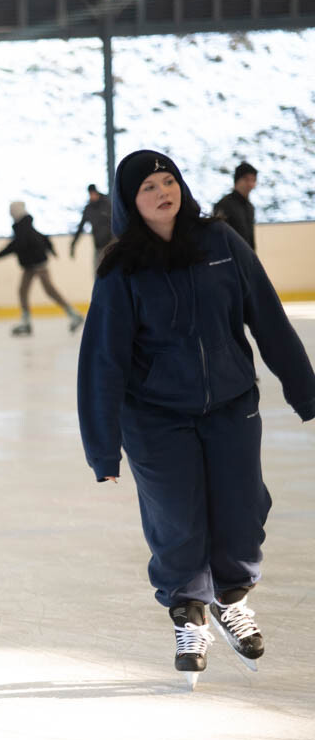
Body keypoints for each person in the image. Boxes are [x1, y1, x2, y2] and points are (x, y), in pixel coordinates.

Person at [77, 150, 315, 687]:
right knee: (178, 522)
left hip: (231, 405)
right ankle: (189, 614)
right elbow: (102, 361)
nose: (164, 192)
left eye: (170, 181)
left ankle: (231, 600)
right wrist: (102, 447)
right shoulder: (122, 269)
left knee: (241, 511)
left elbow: (268, 316)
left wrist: (306, 392)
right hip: (156, 418)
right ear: (129, 203)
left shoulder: (220, 243)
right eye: (148, 188)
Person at [0, 201, 84, 337]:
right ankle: (27, 321)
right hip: (32, 265)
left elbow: (18, 244)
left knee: (48, 290)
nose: (10, 213)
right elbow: (40, 237)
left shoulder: (22, 226)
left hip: (37, 264)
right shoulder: (24, 224)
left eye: (11, 210)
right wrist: (51, 249)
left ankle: (73, 314)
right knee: (25, 291)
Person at [213, 162, 258, 251]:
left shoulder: (250, 207)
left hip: (247, 257)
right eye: (246, 179)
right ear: (237, 180)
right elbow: (218, 236)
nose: (250, 184)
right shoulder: (224, 204)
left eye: (253, 180)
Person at [70, 184, 114, 273]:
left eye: (94, 193)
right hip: (98, 247)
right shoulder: (88, 209)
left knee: (113, 272)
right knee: (97, 273)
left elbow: (116, 221)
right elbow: (80, 227)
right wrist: (73, 245)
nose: (92, 195)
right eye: (90, 194)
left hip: (111, 245)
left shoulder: (107, 204)